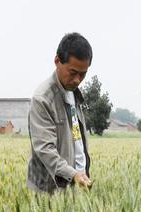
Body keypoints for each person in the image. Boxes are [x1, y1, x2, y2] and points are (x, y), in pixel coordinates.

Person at [27, 32, 93, 194]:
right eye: (73, 72)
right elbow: (45, 149)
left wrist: (81, 173)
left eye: (82, 74)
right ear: (57, 61)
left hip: (76, 185)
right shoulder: (43, 99)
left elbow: (77, 140)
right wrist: (72, 174)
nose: (77, 80)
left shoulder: (74, 94)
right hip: (50, 193)